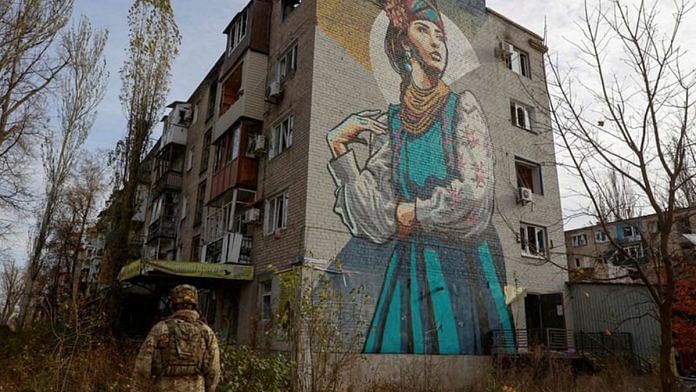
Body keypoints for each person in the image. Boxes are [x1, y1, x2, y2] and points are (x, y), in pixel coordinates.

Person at [326, 0, 513, 355]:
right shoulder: (393, 124)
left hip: (463, 263)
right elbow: (376, 220)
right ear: (402, 44)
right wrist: (339, 148)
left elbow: (476, 195)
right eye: (423, 30)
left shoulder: (463, 108)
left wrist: (415, 211)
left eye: (440, 34)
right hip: (409, 268)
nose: (436, 42)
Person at [134, 284, 221, 392]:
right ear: (195, 305)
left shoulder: (160, 329)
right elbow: (214, 369)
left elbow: (143, 366)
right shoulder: (206, 332)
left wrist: (139, 388)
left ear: (174, 304)